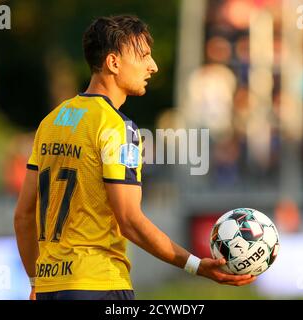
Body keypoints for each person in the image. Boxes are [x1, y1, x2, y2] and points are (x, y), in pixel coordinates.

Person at [14, 15, 256, 301]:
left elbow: (24, 214)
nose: (153, 66)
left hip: (51, 288)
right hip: (99, 284)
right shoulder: (118, 128)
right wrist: (195, 265)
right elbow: (129, 220)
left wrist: (35, 281)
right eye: (143, 56)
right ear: (113, 63)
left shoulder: (51, 122)